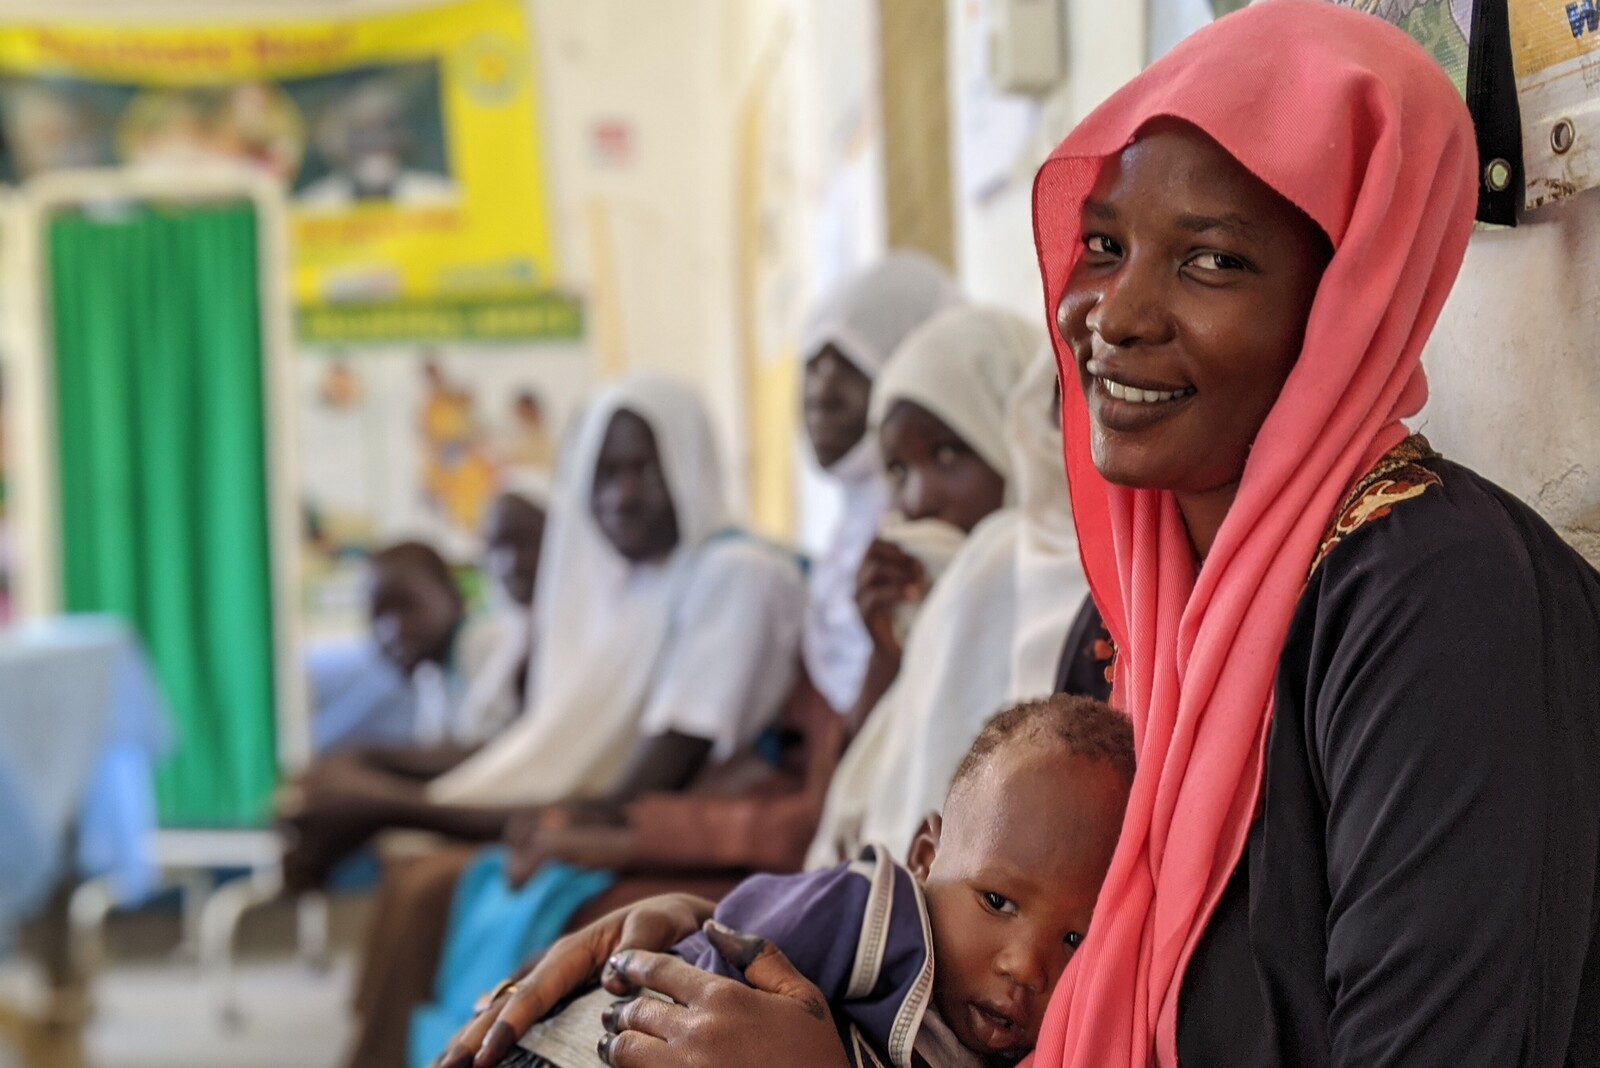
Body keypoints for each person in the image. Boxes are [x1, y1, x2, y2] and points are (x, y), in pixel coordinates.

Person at [443, 6, 1600, 1067]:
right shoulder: (1127, 621)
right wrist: (721, 949)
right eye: (1103, 246)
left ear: (1350, 296)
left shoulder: (1439, 605)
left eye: (1211, 260)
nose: (1117, 316)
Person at [316, 375, 806, 1068]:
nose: (622, 495)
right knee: (421, 875)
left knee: (435, 883)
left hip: (705, 828)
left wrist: (556, 823)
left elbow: (655, 773)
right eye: (604, 474)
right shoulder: (653, 583)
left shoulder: (737, 574)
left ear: (691, 462)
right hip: (654, 812)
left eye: (644, 468)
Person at [497, 694, 1133, 1068]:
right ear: (924, 857)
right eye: (996, 901)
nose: (1026, 966)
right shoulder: (872, 914)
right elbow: (730, 942)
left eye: (1076, 940)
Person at [799, 251, 961, 715]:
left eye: (852, 361)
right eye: (815, 363)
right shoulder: (845, 537)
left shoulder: (936, 524)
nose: (821, 391)